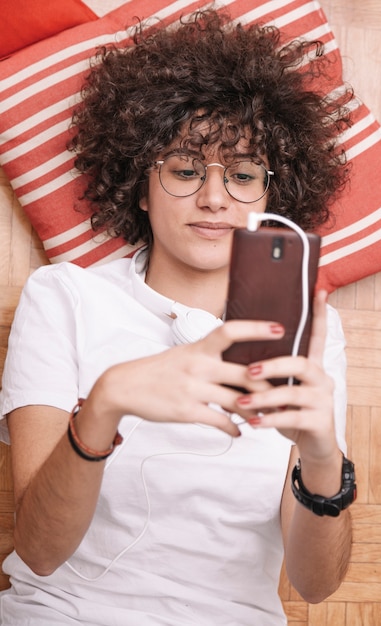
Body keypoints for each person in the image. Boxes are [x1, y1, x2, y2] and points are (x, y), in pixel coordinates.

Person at [0, 9, 355, 626]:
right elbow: (39, 549)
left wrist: (324, 461)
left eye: (243, 175)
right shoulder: (64, 296)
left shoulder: (309, 331)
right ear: (141, 185)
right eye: (186, 170)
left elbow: (316, 588)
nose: (214, 197)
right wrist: (105, 404)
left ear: (272, 196)